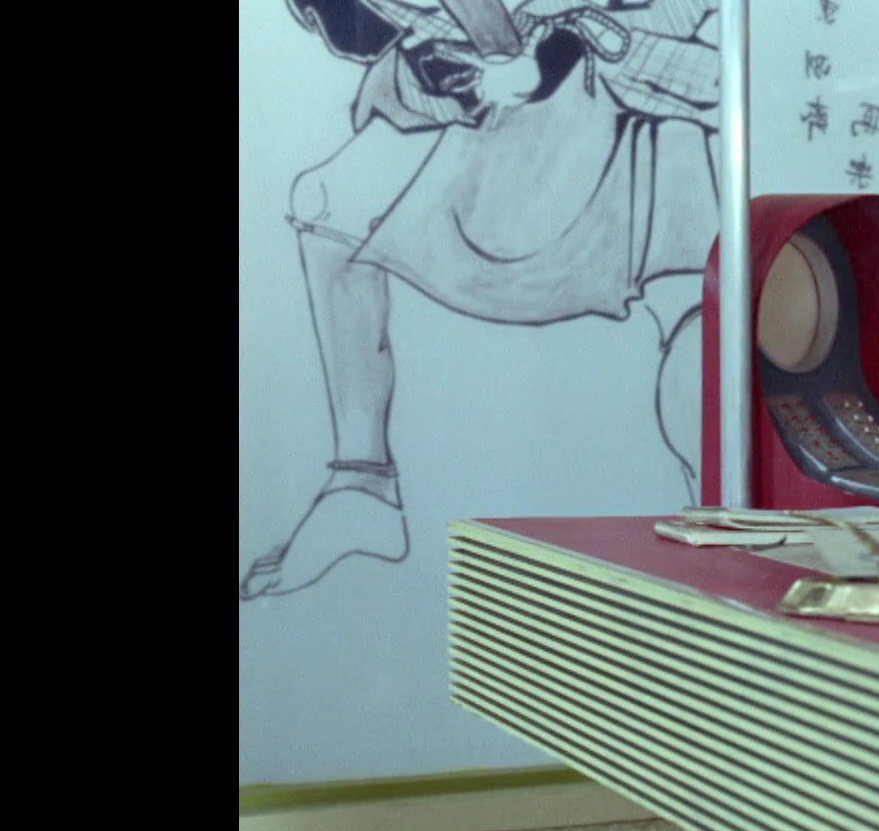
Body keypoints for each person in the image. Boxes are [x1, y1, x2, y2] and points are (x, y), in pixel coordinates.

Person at [241, 0, 719, 600]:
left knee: (699, 325)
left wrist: (509, 48)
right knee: (328, 206)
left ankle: (725, 545)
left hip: (639, 117)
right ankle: (361, 486)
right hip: (521, 114)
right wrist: (480, 57)